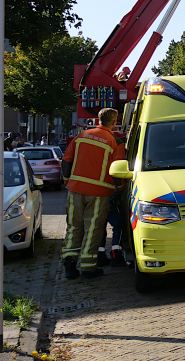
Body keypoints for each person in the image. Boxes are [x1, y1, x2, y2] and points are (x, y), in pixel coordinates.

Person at [60, 108, 126, 280]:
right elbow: (117, 171)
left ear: (98, 119)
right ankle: (88, 268)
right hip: (99, 192)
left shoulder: (81, 136)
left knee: (74, 226)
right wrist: (120, 188)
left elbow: (66, 161)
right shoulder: (115, 142)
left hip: (75, 190)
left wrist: (68, 181)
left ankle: (69, 264)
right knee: (93, 228)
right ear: (114, 122)